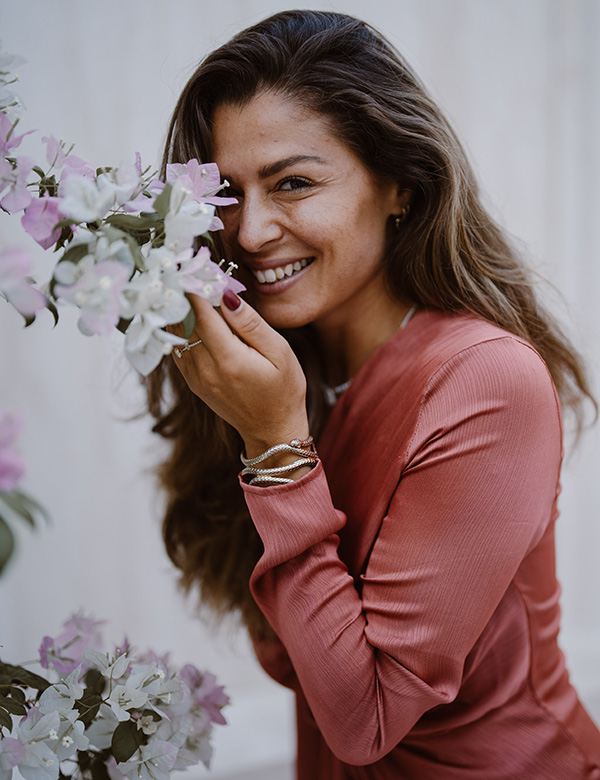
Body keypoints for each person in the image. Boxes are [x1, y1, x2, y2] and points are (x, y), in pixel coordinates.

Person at [145, 10, 600, 778]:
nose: (250, 232)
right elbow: (304, 666)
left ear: (399, 185)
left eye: (294, 182)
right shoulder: (292, 369)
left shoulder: (485, 381)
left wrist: (276, 447)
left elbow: (368, 718)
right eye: (227, 195)